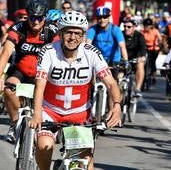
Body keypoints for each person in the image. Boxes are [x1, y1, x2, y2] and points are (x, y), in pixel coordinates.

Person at [29, 10, 121, 170]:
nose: (72, 38)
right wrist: (37, 114)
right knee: (45, 145)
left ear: (83, 35)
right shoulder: (48, 52)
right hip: (50, 112)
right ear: (60, 32)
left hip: (79, 114)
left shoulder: (92, 53)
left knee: (85, 162)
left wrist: (117, 106)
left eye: (77, 33)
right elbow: (40, 87)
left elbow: (112, 84)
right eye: (68, 32)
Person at [0, 0, 58, 144]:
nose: (35, 22)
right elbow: (6, 52)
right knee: (9, 89)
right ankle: (14, 123)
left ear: (45, 17)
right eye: (32, 18)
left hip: (42, 74)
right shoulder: (19, 28)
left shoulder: (52, 31)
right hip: (20, 71)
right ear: (27, 16)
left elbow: (60, 54)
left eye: (39, 18)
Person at [122, 17, 146, 97]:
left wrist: (142, 57)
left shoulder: (139, 36)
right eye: (125, 26)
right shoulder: (121, 34)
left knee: (141, 65)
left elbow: (143, 50)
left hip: (135, 60)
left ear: (134, 27)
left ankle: (138, 88)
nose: (126, 28)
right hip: (123, 60)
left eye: (129, 27)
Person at [142, 18, 162, 84]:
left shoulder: (155, 31)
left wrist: (159, 44)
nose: (146, 27)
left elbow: (160, 39)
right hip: (145, 48)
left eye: (147, 26)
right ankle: (143, 75)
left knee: (152, 62)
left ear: (151, 26)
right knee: (144, 62)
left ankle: (154, 77)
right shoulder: (142, 32)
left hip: (154, 49)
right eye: (145, 25)